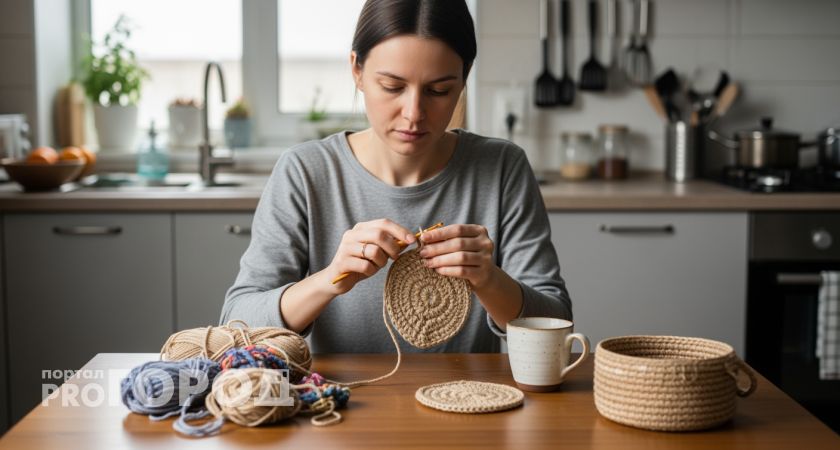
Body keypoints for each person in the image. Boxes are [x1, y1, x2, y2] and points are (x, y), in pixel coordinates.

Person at [222, 0, 571, 353]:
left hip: (474, 401)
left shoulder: (502, 167)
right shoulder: (305, 172)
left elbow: (557, 319)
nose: (414, 114)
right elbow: (235, 324)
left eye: (439, 91)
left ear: (464, 80)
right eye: (392, 86)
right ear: (356, 70)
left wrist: (490, 280)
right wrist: (329, 279)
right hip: (340, 405)